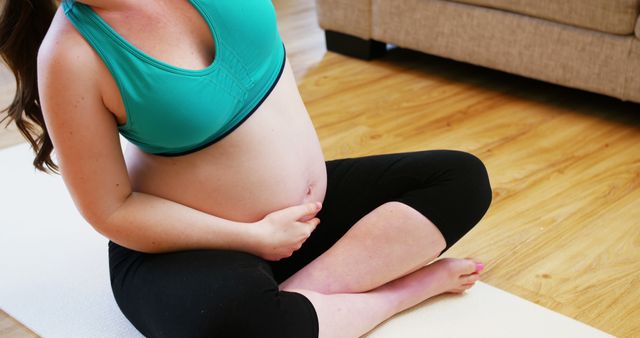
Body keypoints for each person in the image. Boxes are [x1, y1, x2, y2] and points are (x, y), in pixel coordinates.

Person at [0, 0, 492, 337]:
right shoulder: (69, 55)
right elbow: (113, 210)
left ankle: (295, 304)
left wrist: (276, 244)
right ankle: (399, 293)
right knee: (232, 323)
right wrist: (252, 237)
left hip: (306, 215)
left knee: (460, 179)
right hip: (185, 243)